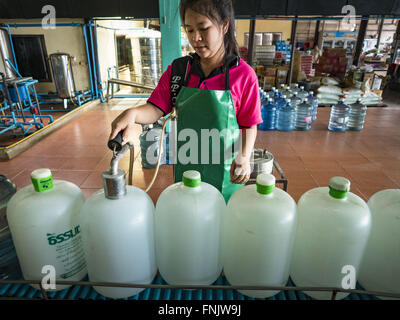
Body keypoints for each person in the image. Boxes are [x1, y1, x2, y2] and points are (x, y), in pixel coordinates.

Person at [109, 0, 262, 202]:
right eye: (189, 30)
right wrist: (133, 114)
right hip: (188, 165)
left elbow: (248, 124)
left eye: (203, 28)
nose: (196, 38)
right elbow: (156, 108)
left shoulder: (243, 75)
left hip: (225, 169)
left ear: (224, 26)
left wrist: (244, 156)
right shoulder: (180, 71)